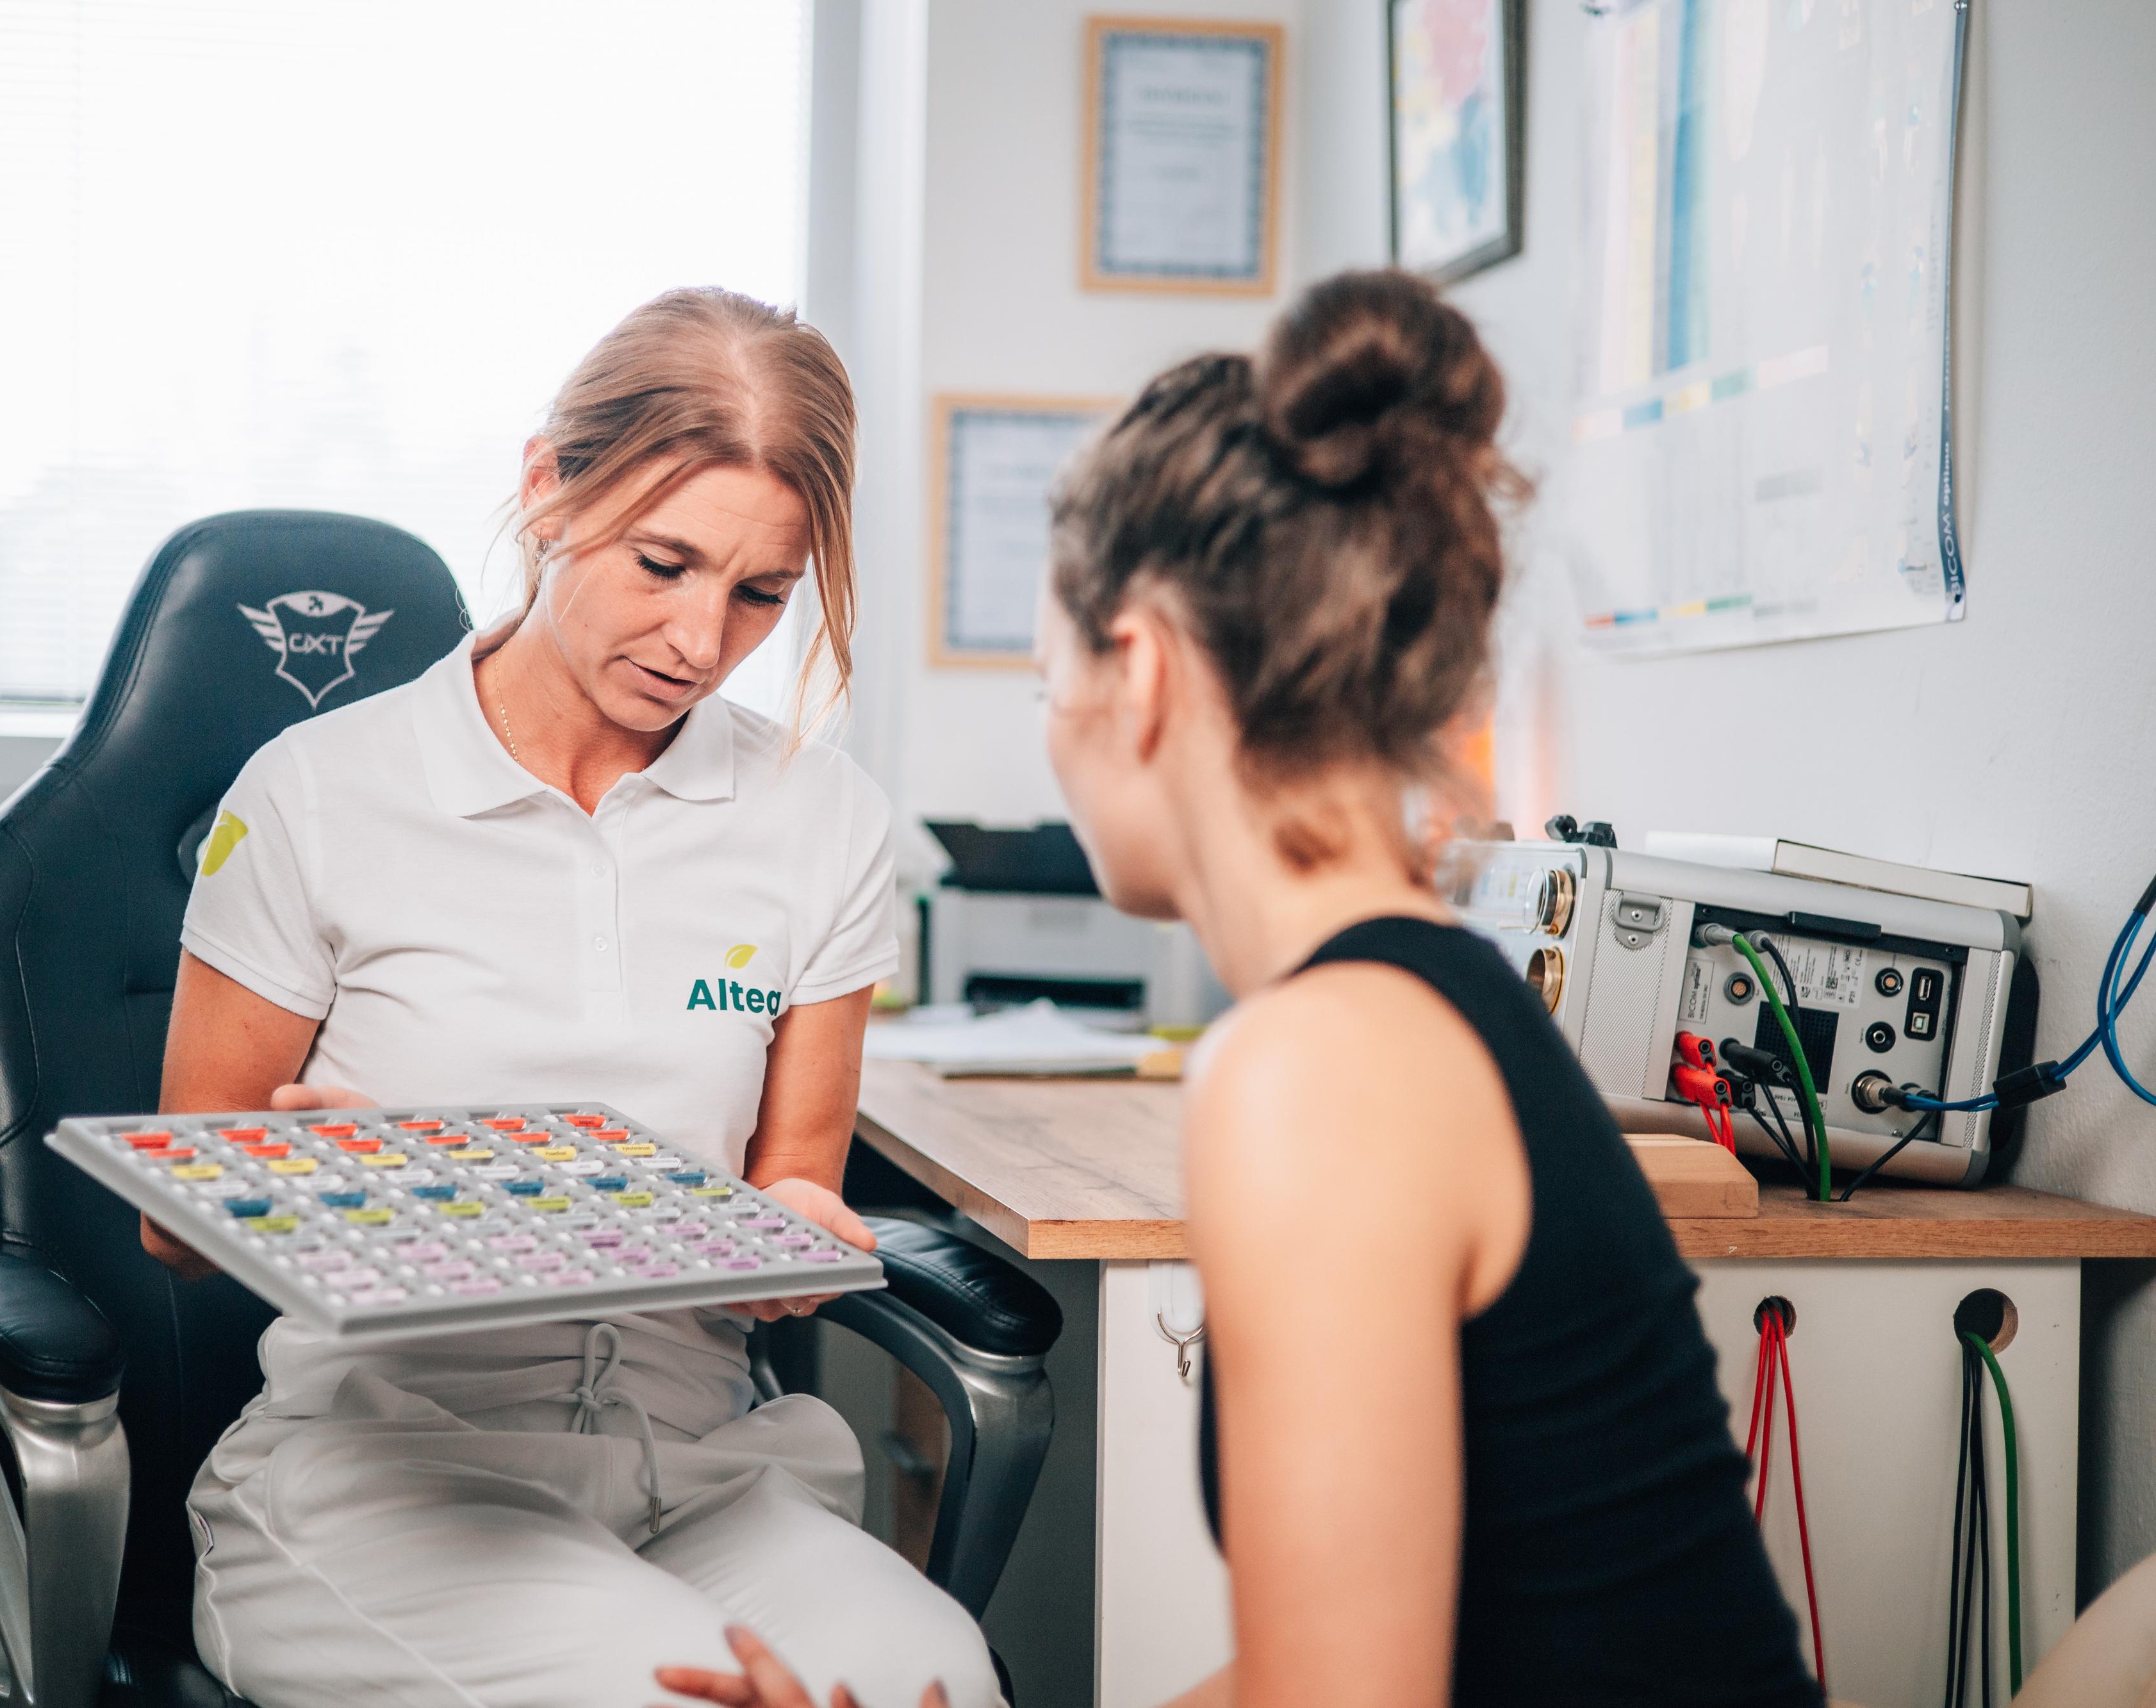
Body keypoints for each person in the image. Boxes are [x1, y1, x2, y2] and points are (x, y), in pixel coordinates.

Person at [665, 272, 1822, 1708]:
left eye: (1043, 683)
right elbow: (1314, 1669)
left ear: (1136, 670)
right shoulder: (1433, 1000)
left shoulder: (1309, 1070)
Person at [151, 286, 992, 1708]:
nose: (697, 637)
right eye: (661, 562)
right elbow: (164, 1227)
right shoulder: (318, 794)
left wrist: (796, 1225)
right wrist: (337, 1188)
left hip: (706, 1475)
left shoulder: (820, 821)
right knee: (651, 1689)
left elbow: (793, 1172)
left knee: (936, 1676)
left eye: (756, 595)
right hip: (392, 1470)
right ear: (548, 488)